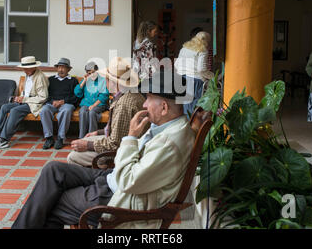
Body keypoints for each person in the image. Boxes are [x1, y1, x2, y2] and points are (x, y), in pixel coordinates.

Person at [12, 71, 195, 229]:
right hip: (113, 177)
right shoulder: (166, 125)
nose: (144, 105)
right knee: (53, 169)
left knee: (51, 202)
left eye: (148, 99)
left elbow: (128, 181)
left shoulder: (169, 143)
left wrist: (131, 137)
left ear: (164, 107)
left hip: (120, 196)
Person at [67, 57, 145, 167]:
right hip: (121, 143)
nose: (106, 82)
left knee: (73, 156)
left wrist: (88, 145)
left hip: (121, 152)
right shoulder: (128, 94)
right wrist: (98, 132)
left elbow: (114, 144)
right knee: (85, 139)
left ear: (114, 82)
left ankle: (96, 179)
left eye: (107, 79)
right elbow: (120, 130)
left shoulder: (124, 104)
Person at [0, 56, 49, 150]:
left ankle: (4, 140)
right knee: (4, 107)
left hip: (34, 104)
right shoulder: (29, 74)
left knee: (15, 111)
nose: (24, 70)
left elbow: (43, 97)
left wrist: (23, 99)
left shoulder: (40, 77)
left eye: (26, 68)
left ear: (33, 67)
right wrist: (20, 98)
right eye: (23, 68)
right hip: (25, 101)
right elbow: (27, 92)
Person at [40, 58, 79, 150]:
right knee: (44, 110)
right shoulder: (51, 80)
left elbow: (77, 97)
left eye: (64, 68)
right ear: (57, 68)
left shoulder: (73, 80)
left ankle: (60, 138)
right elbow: (46, 95)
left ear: (68, 69)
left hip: (67, 104)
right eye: (59, 67)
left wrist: (63, 101)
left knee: (66, 111)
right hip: (52, 103)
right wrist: (52, 101)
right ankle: (49, 138)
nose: (61, 70)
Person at [174, 31, 214, 118]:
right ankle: (192, 131)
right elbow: (201, 69)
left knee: (183, 109)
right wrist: (213, 77)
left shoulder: (184, 49)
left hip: (181, 80)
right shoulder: (203, 50)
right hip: (195, 81)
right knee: (193, 111)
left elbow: (176, 64)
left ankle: (185, 129)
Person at [74, 61, 109, 139]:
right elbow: (77, 93)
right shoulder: (86, 80)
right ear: (87, 73)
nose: (92, 74)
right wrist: (84, 81)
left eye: (93, 72)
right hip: (86, 103)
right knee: (82, 112)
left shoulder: (102, 80)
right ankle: (82, 137)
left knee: (92, 112)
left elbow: (104, 96)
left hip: (99, 104)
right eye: (89, 73)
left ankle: (91, 137)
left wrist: (93, 105)